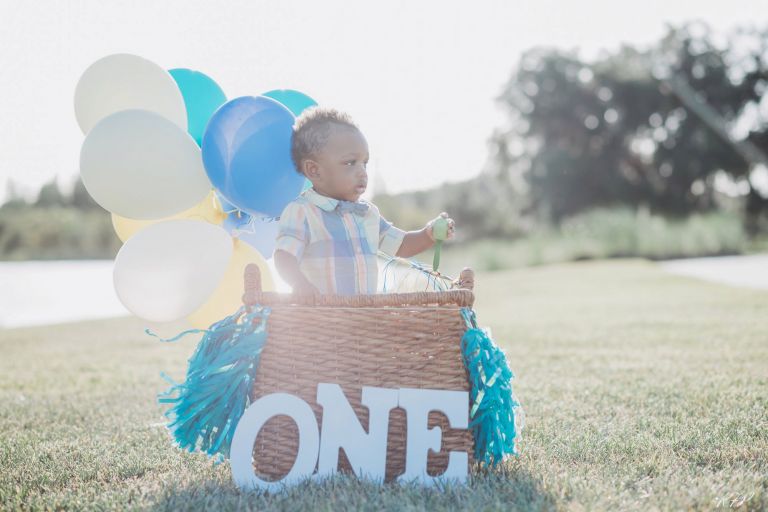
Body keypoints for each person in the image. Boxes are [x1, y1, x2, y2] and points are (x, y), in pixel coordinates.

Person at [273, 106, 455, 296]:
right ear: (314, 170)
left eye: (364, 163)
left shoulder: (367, 213)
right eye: (350, 162)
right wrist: (298, 283)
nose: (362, 171)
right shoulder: (302, 212)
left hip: (363, 319)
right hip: (321, 319)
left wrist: (429, 234)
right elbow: (285, 256)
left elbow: (401, 244)